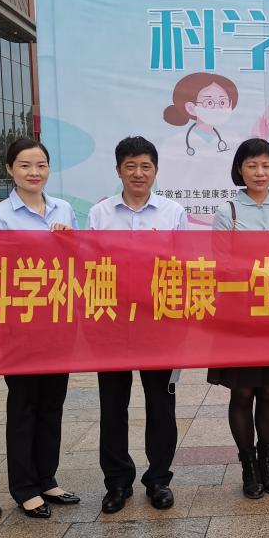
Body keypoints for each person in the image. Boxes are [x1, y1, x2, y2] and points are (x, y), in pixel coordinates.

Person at [87, 136, 188, 514]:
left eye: (146, 166)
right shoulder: (100, 214)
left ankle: (159, 479)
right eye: (130, 166)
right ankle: (117, 482)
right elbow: (91, 266)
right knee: (113, 405)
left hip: (158, 321)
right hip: (112, 322)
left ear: (155, 171)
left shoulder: (172, 213)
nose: (138, 173)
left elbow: (183, 267)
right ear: (118, 171)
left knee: (161, 405)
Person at [0, 139, 80, 519]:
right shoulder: (0, 216)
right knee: (23, 404)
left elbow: (80, 260)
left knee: (52, 403)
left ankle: (47, 478)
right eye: (25, 165)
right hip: (20, 325)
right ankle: (25, 487)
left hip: (58, 320)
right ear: (10, 169)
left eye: (41, 165)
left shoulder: (64, 209)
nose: (34, 172)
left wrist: (68, 241)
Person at [210, 138, 269, 498]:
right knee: (242, 391)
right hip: (239, 318)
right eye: (252, 165)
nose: (260, 172)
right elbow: (220, 264)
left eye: (266, 165)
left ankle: (267, 465)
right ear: (240, 169)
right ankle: (248, 467)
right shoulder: (227, 211)